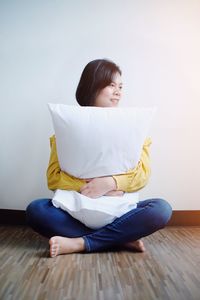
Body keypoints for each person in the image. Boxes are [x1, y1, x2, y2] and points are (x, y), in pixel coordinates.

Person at [26, 59, 172, 257]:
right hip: (76, 208)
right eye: (111, 85)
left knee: (161, 209)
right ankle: (120, 238)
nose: (118, 91)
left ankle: (79, 243)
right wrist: (90, 188)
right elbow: (53, 178)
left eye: (120, 86)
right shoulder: (66, 128)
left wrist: (110, 183)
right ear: (92, 85)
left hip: (119, 210)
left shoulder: (134, 128)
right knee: (36, 209)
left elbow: (142, 176)